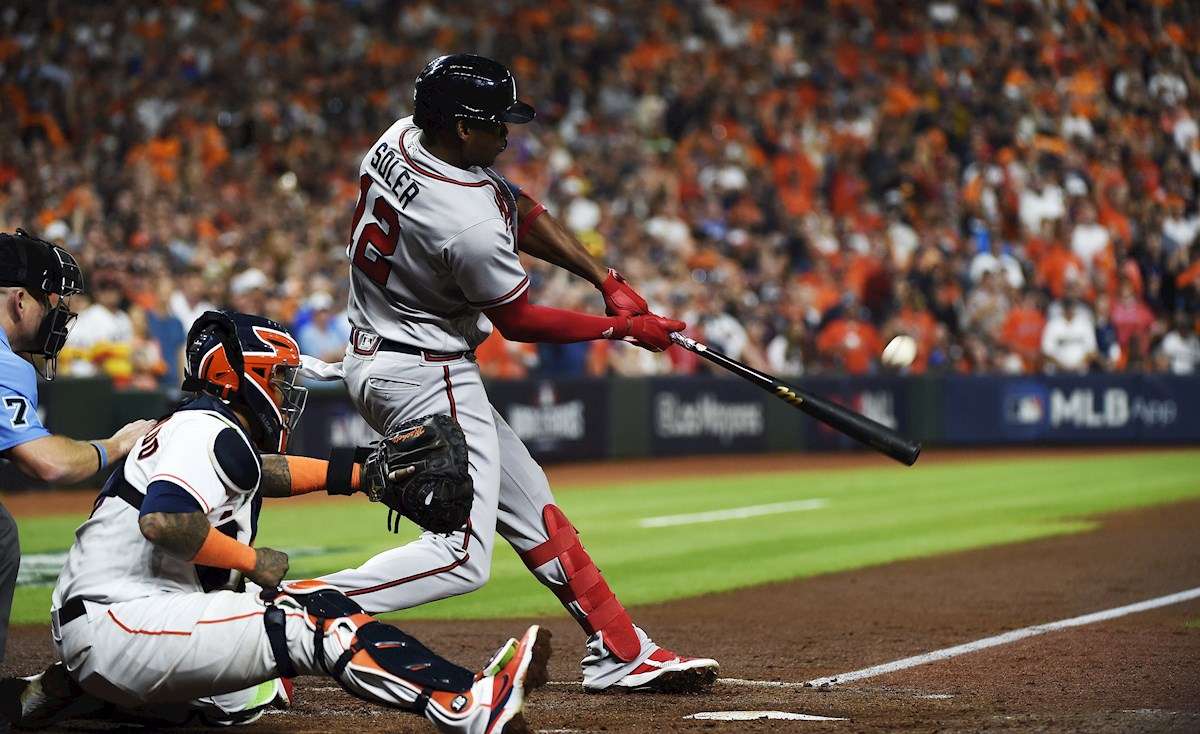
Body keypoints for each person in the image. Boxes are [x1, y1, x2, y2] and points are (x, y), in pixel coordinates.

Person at [327, 54, 717, 692]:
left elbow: (518, 207)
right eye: (495, 123)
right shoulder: (466, 224)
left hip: (389, 355)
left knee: (535, 507)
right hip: (426, 372)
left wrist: (604, 279)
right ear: (458, 127)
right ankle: (294, 609)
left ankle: (621, 650)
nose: (508, 135)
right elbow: (522, 322)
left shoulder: (400, 137)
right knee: (461, 559)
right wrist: (623, 329)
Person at [1, 311, 549, 733]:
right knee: (314, 618)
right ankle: (467, 704)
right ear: (244, 378)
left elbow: (260, 472)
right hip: (122, 623)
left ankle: (54, 694)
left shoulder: (202, 428)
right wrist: (251, 561)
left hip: (118, 623)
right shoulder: (201, 430)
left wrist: (358, 473)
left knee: (247, 700)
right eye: (280, 377)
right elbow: (165, 521)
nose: (288, 392)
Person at [0, 230, 154, 667]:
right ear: (20, 301)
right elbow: (45, 463)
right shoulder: (6, 362)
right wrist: (117, 444)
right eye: (51, 301)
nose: (57, 315)